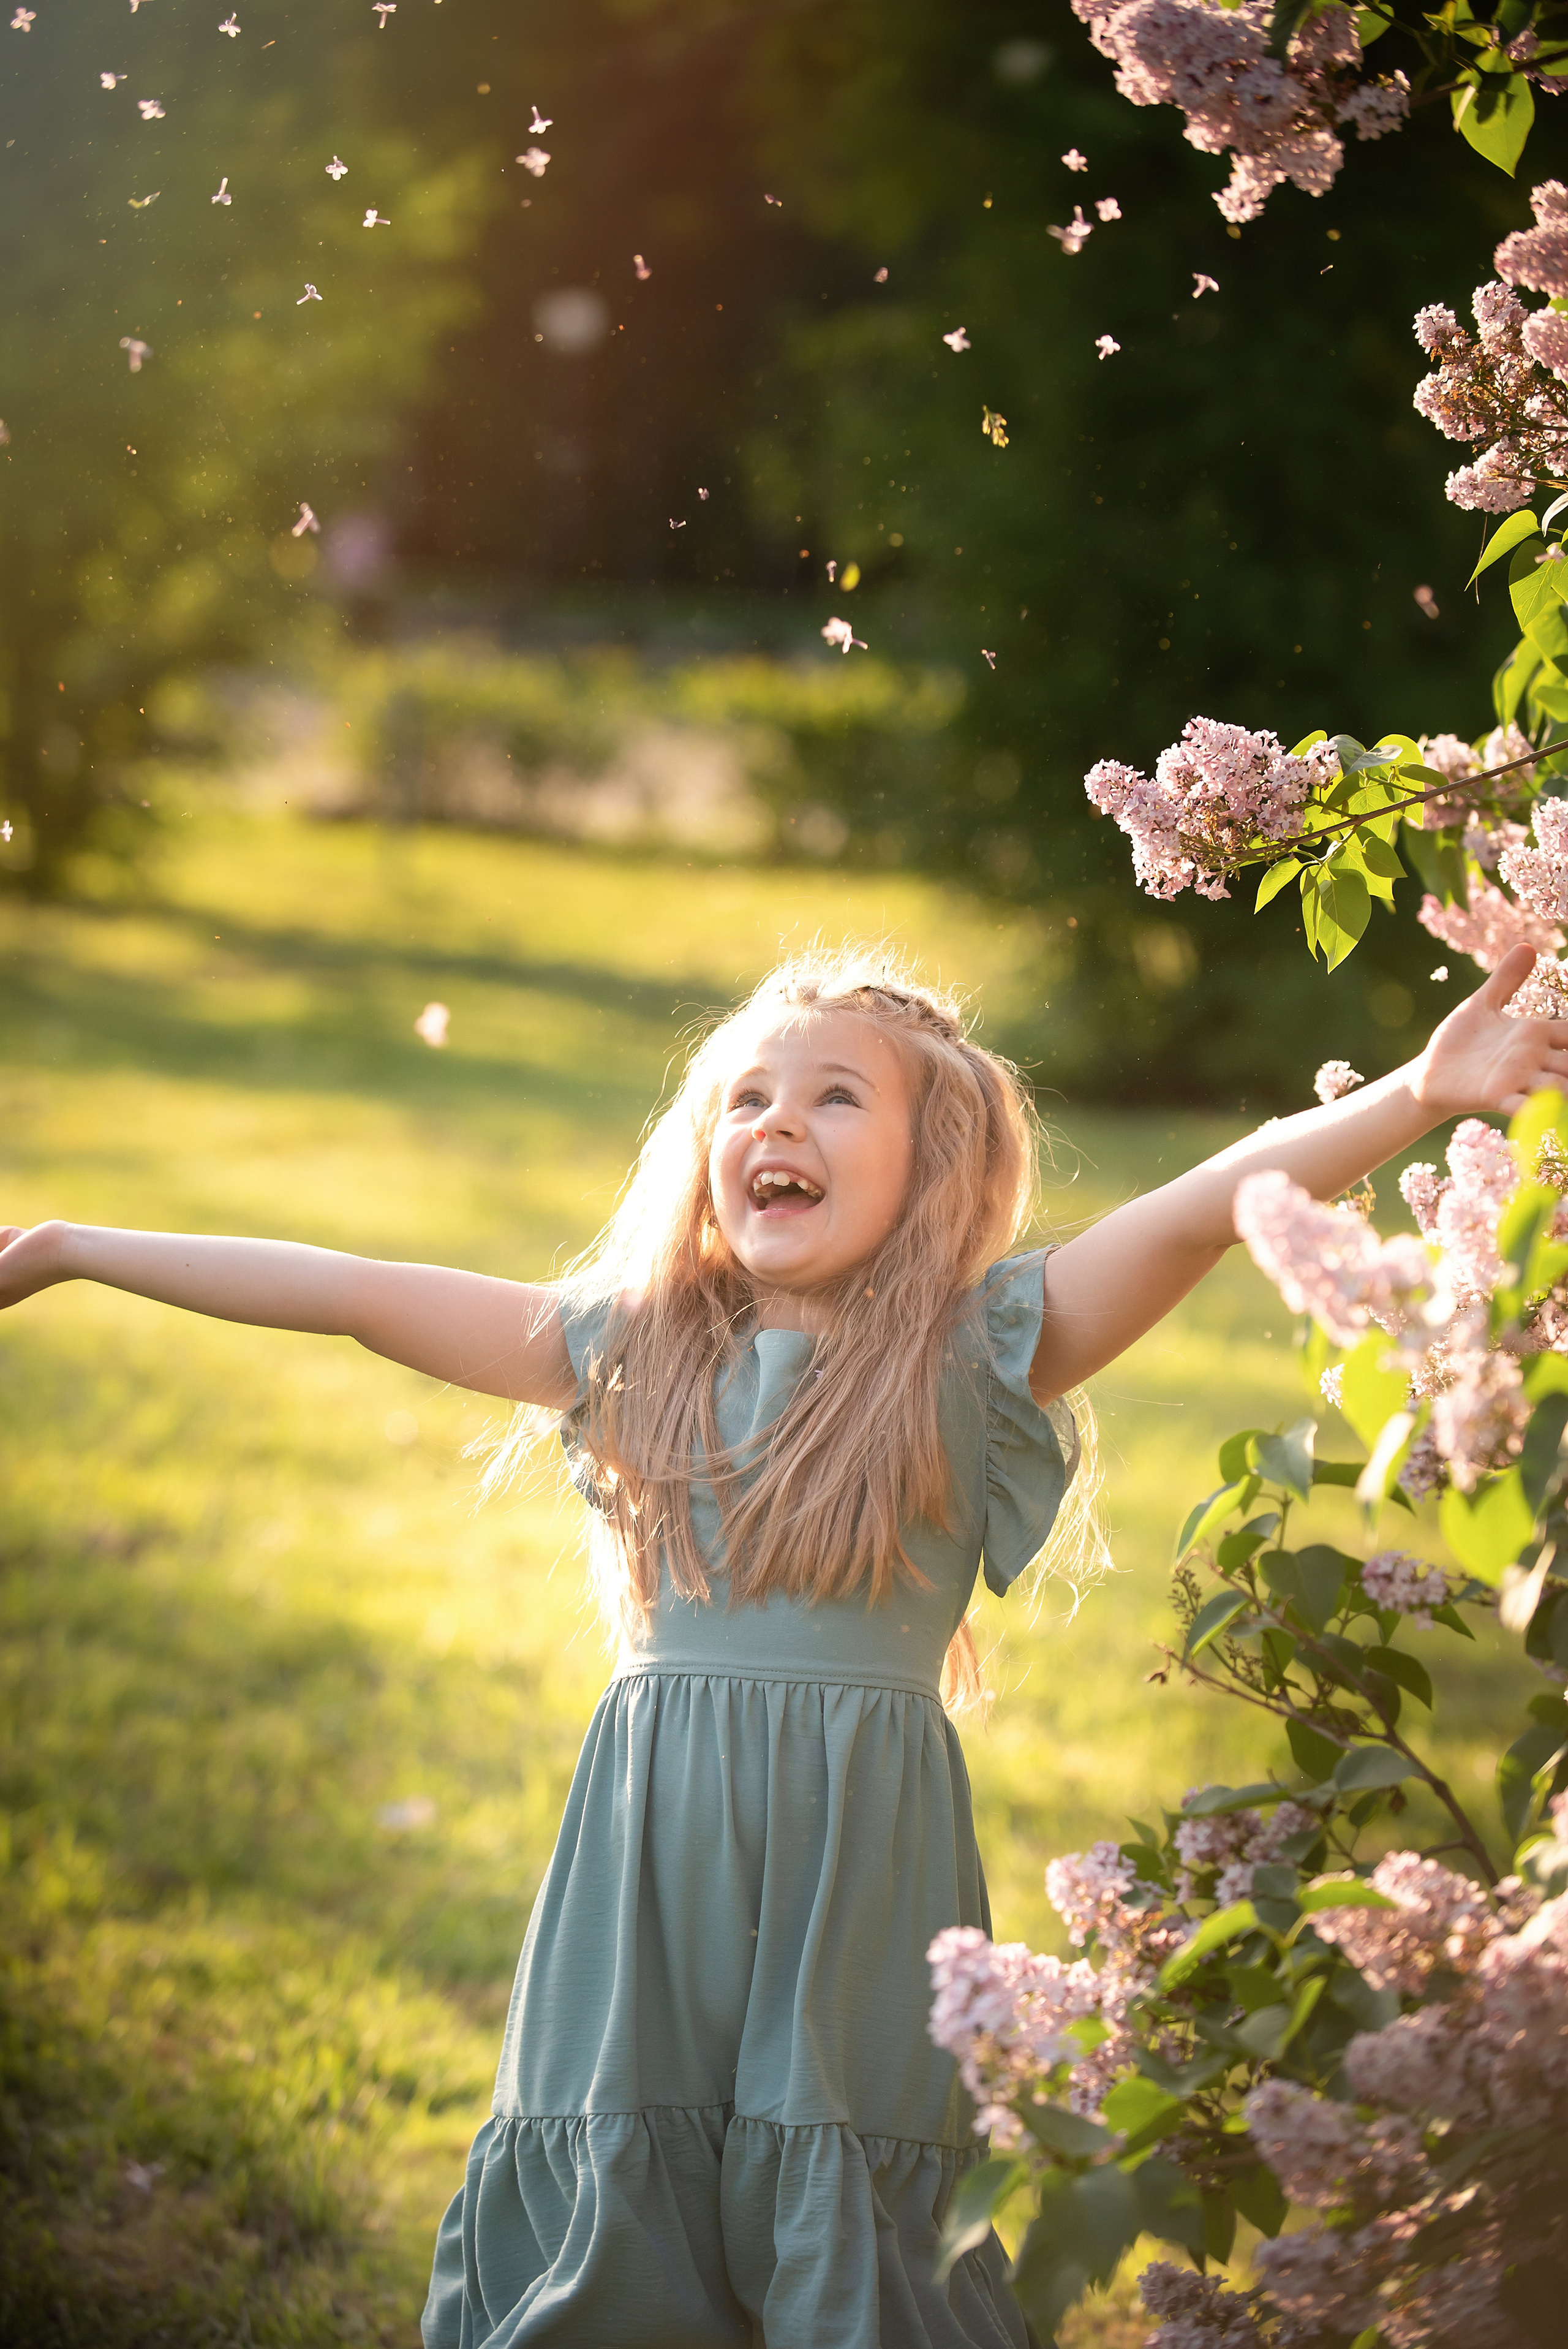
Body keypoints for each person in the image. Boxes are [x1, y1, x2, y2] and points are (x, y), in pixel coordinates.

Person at [1, 940, 1562, 2349]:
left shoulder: (976, 1354)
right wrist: (70, 1244)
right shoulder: (628, 1352)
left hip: (857, 1856)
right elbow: (350, 1293)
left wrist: (1416, 1095)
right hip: (649, 1853)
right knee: (623, 2150)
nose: (778, 1124)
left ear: (931, 1161)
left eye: (832, 1098)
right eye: (746, 1097)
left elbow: (1200, 1206)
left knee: (842, 2168)